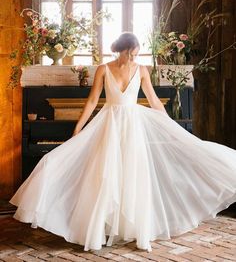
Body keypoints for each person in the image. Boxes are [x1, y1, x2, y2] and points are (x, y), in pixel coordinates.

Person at [10, 32, 236, 253]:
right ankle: (102, 228)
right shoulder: (103, 69)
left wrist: (171, 126)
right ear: (121, 50)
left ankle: (137, 230)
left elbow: (155, 101)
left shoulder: (142, 70)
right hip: (109, 126)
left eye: (136, 55)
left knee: (133, 175)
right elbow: (91, 102)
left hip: (133, 127)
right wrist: (77, 128)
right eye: (130, 54)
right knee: (105, 173)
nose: (132, 59)